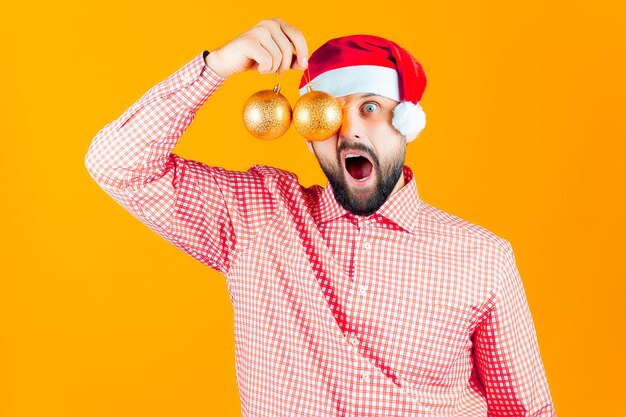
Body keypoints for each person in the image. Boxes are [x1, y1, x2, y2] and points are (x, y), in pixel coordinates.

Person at [85, 18, 555, 417]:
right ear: (307, 132)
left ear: (406, 122)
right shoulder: (255, 217)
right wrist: (217, 66)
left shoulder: (482, 258)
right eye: (325, 112)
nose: (349, 128)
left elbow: (526, 411)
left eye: (370, 108)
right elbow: (116, 163)